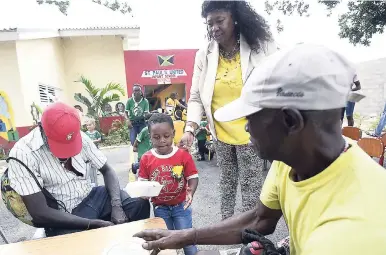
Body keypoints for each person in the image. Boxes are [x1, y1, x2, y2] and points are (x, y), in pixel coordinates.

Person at [134, 44, 386, 255]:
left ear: (290, 121)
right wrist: (183, 236)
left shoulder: (349, 235)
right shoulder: (292, 160)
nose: (245, 127)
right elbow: (260, 220)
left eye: (250, 116)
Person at [179, 0, 277, 220]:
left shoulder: (259, 47)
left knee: (251, 190)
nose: (214, 28)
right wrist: (190, 129)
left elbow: (276, 81)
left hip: (251, 134)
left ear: (235, 18)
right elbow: (195, 97)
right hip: (221, 134)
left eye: (220, 20)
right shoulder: (203, 55)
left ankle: (252, 239)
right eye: (210, 23)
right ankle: (227, 231)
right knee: (226, 186)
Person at [7, 102, 150, 237]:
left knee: (139, 205)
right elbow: (40, 212)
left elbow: (107, 170)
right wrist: (91, 224)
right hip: (64, 214)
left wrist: (116, 205)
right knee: (76, 245)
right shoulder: (22, 154)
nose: (68, 154)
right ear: (41, 128)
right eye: (60, 146)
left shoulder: (77, 134)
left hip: (92, 195)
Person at [138, 113, 199, 255]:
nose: (162, 141)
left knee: (187, 241)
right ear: (150, 136)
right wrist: (144, 193)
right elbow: (142, 182)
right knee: (164, 244)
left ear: (173, 134)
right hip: (160, 209)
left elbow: (193, 177)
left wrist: (190, 192)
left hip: (181, 207)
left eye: (166, 136)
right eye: (156, 137)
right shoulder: (146, 158)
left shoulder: (183, 155)